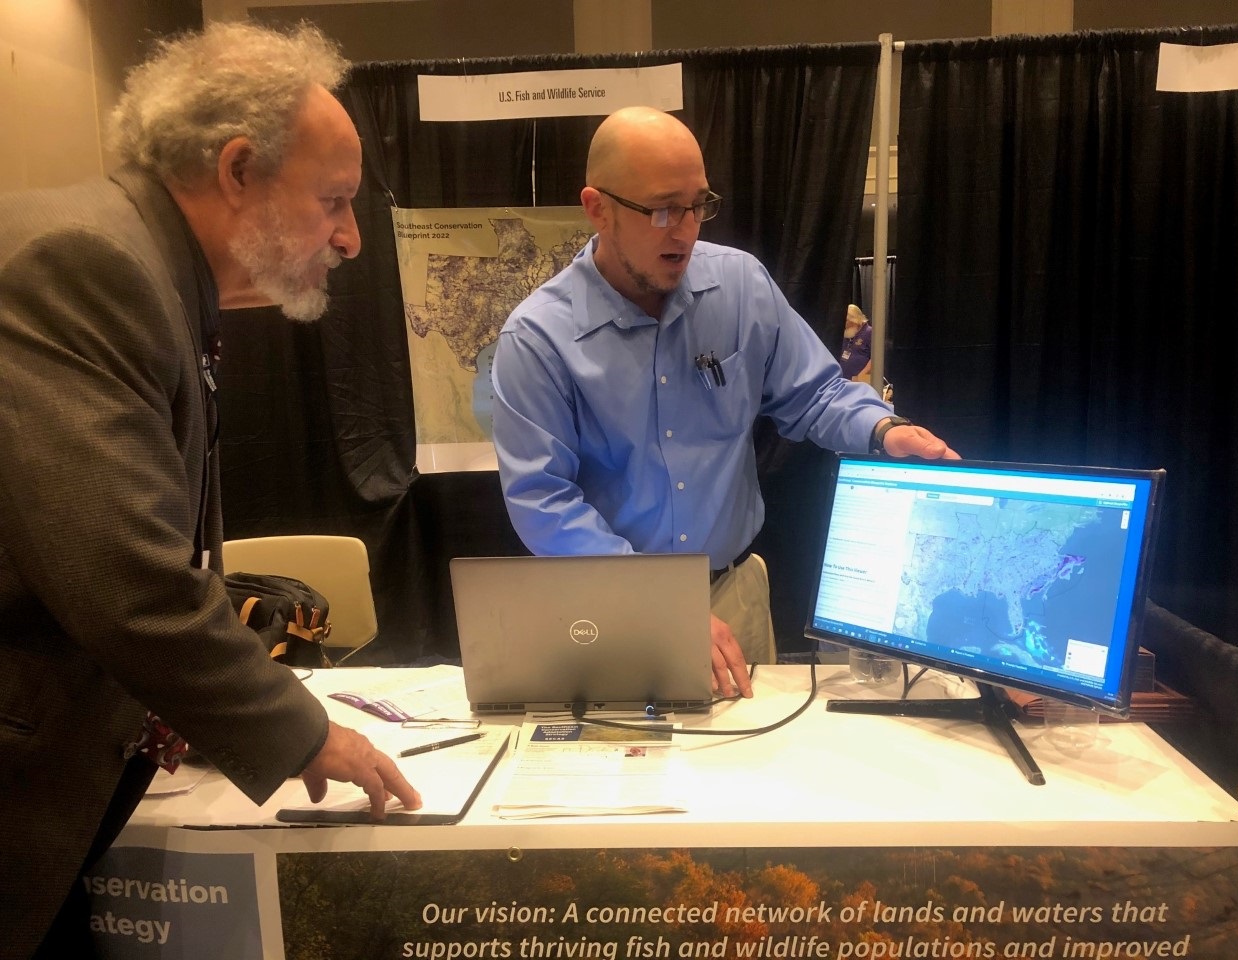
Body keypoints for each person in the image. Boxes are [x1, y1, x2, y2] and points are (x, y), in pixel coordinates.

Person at [0, 22, 421, 957]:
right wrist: (306, 734)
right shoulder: (88, 267)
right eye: (336, 201)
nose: (351, 239)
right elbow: (125, 578)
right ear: (238, 170)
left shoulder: (151, 271)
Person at [490, 106, 958, 700]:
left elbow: (815, 394)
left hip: (731, 593)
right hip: (610, 606)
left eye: (698, 205)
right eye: (661, 208)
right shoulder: (538, 339)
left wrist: (884, 431)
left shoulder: (739, 287)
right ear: (597, 208)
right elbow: (543, 501)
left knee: (752, 777)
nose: (684, 230)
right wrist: (657, 600)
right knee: (630, 780)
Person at [840, 303, 873, 382]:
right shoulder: (848, 333)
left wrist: (860, 376)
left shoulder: (870, 332)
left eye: (847, 321)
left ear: (854, 320)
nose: (845, 325)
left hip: (861, 382)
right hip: (845, 381)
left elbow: (875, 359)